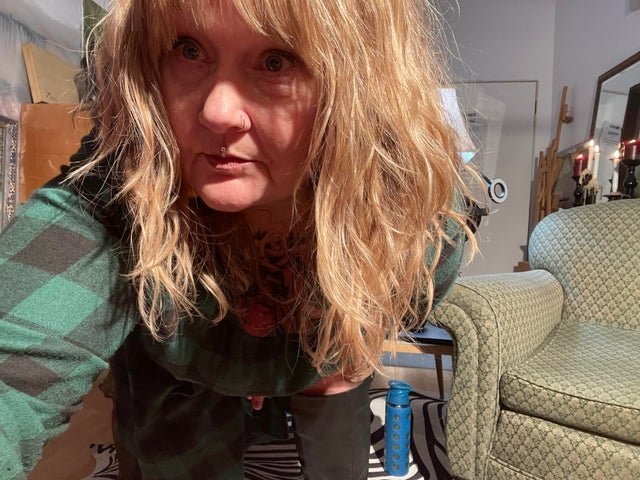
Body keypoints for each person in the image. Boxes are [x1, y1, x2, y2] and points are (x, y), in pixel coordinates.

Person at [0, 0, 477, 478]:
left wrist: (336, 352)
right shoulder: (118, 190)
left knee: (337, 415)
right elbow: (14, 372)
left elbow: (399, 308)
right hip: (179, 367)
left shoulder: (415, 215)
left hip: (324, 355)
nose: (217, 112)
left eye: (276, 61)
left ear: (360, 87)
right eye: (189, 50)